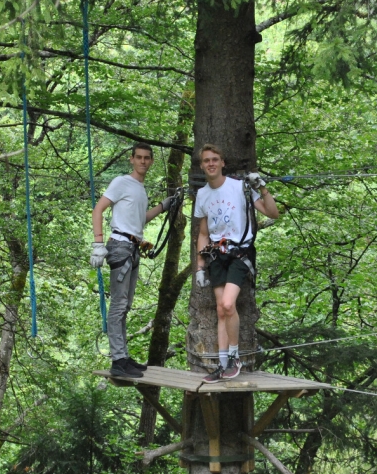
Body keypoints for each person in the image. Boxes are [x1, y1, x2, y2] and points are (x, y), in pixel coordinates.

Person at [193, 144, 279, 382]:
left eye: (215, 159)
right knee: (221, 309)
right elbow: (202, 232)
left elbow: (273, 213)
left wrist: (261, 187)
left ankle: (234, 357)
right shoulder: (202, 194)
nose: (211, 163)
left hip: (240, 253)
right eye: (206, 160)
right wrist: (200, 266)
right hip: (216, 255)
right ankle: (223, 366)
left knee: (229, 305)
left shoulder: (239, 187)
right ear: (202, 166)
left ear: (222, 163)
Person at [91, 143, 176, 378]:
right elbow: (98, 209)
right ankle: (118, 360)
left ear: (151, 161)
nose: (143, 162)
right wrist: (98, 244)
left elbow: (140, 220)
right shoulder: (121, 182)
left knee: (125, 305)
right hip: (119, 246)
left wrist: (163, 206)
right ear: (132, 159)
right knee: (118, 305)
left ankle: (123, 357)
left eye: (147, 158)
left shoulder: (140, 188)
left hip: (132, 246)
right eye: (139, 157)